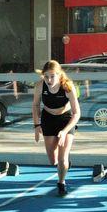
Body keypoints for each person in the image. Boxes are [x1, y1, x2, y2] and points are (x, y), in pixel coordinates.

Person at [32, 60, 81, 196]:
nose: (49, 80)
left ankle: (61, 183)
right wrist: (36, 126)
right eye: (46, 76)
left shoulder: (67, 86)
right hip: (48, 119)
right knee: (52, 160)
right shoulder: (40, 86)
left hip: (65, 120)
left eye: (52, 76)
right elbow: (35, 105)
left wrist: (65, 132)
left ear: (59, 75)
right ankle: (64, 165)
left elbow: (77, 113)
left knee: (62, 158)